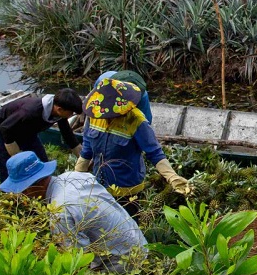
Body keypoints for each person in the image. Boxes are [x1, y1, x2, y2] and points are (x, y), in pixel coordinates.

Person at [0, 151, 147, 274]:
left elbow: (79, 262)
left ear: (35, 185)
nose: (22, 195)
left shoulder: (60, 212)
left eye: (23, 190)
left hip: (123, 263)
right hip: (139, 244)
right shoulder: (74, 176)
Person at [75, 78, 190, 219]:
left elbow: (154, 153)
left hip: (128, 191)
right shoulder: (94, 115)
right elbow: (87, 148)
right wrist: (76, 177)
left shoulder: (136, 120)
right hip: (100, 187)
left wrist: (172, 177)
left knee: (127, 226)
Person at [0, 88, 84, 181]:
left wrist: (82, 157)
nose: (72, 114)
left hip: (28, 131)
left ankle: (43, 183)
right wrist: (16, 154)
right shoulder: (29, 111)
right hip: (4, 130)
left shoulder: (58, 110)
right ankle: (9, 188)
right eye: (71, 112)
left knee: (41, 161)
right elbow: (5, 127)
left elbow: (66, 132)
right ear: (59, 109)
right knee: (8, 164)